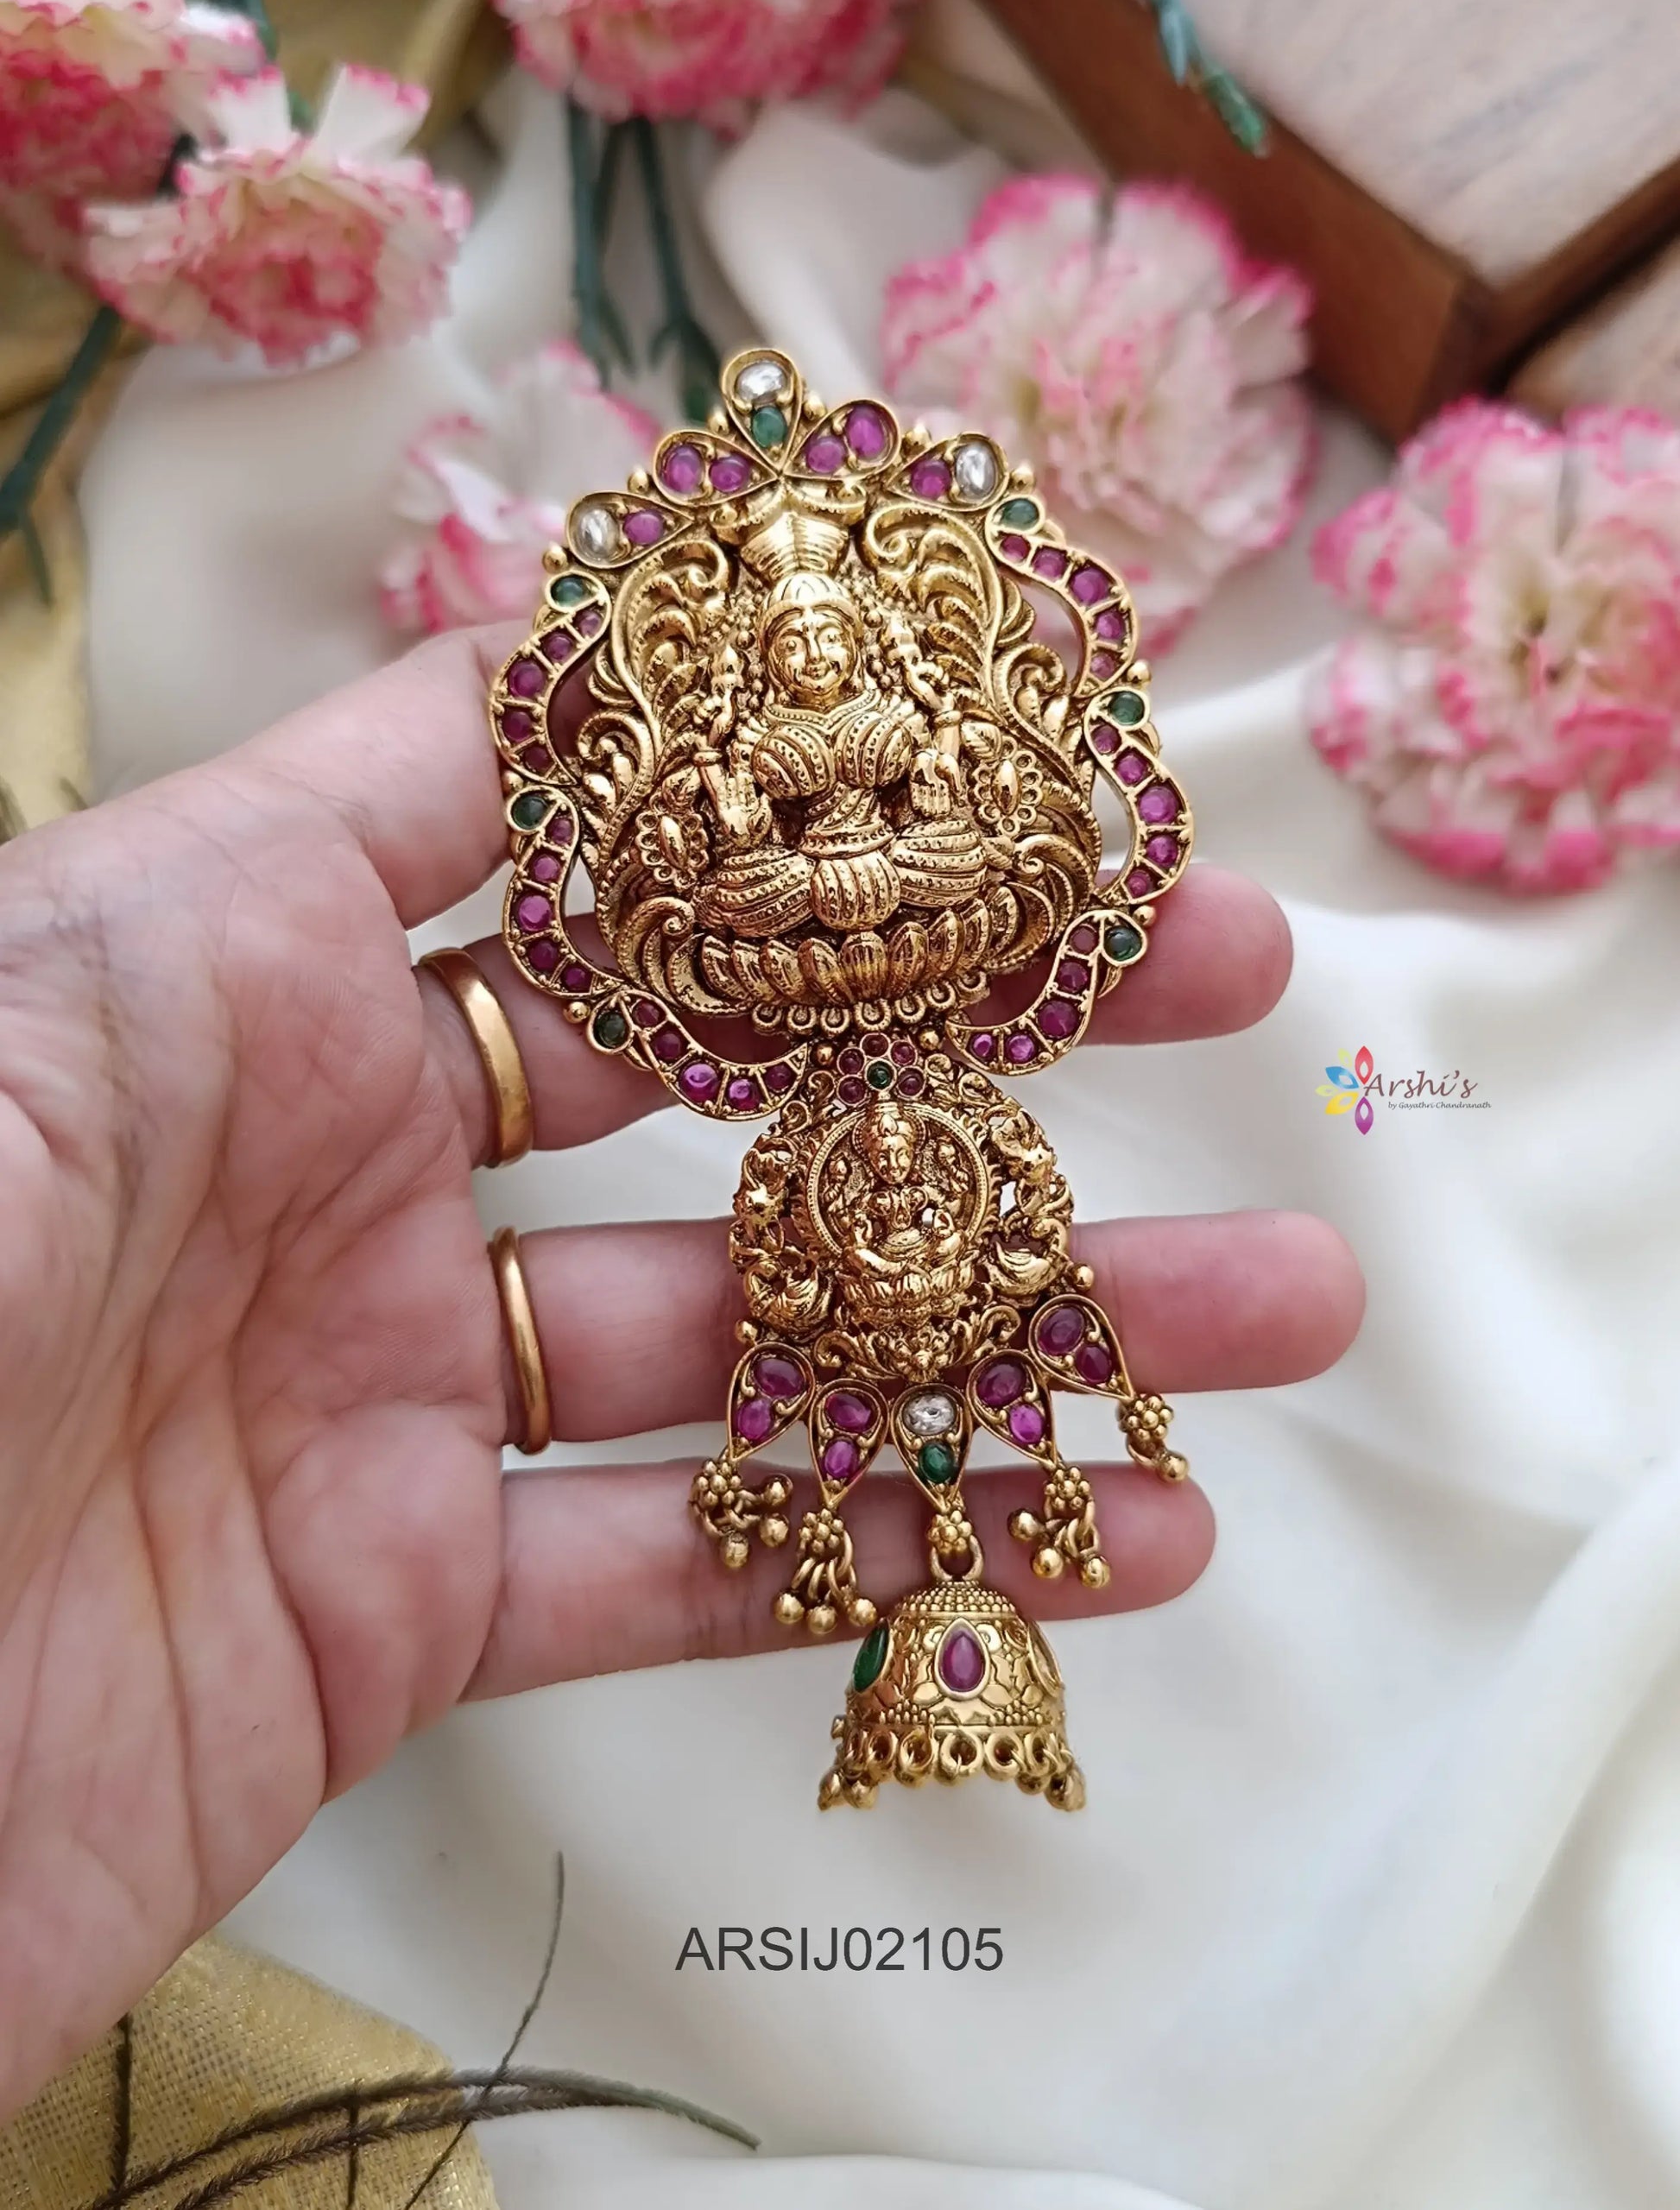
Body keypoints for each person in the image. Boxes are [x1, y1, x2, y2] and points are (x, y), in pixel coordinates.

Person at [0, 623, 1363, 2125]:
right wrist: (742, 825)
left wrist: (912, 823)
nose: (814, 644)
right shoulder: (749, 752)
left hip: (892, 931)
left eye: (832, 627)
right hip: (794, 939)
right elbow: (729, 881)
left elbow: (961, 846)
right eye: (794, 632)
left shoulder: (896, 733)